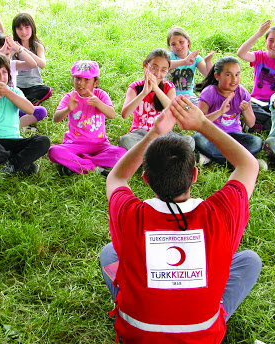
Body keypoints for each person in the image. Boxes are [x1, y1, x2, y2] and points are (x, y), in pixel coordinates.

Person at [101, 94, 261, 343]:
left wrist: (154, 132)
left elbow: (117, 178)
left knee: (110, 253)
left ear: (145, 179)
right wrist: (202, 124)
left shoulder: (130, 215)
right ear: (195, 175)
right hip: (203, 336)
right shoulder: (220, 213)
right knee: (249, 260)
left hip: (137, 336)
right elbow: (249, 165)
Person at [49, 60, 126, 175]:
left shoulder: (100, 95)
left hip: (99, 145)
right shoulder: (70, 96)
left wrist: (98, 103)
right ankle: (95, 168)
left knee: (122, 154)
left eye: (87, 80)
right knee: (54, 151)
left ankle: (77, 163)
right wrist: (68, 109)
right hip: (74, 143)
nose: (81, 83)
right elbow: (56, 118)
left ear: (95, 82)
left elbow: (112, 114)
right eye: (78, 79)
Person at [194, 56, 265, 167]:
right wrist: (220, 111)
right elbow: (198, 122)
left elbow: (251, 123)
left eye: (237, 74)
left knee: (256, 141)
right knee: (198, 139)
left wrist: (245, 111)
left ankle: (211, 158)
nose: (234, 79)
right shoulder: (209, 92)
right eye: (228, 75)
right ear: (217, 76)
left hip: (233, 137)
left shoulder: (242, 92)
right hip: (211, 135)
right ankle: (245, 161)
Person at [119, 48, 194, 151]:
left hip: (164, 134)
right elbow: (125, 114)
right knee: (125, 140)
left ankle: (149, 155)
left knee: (189, 141)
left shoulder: (169, 87)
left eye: (163, 70)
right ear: (145, 66)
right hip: (140, 135)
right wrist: (144, 93)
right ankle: (159, 155)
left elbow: (172, 109)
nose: (158, 74)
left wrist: (156, 89)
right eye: (154, 68)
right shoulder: (135, 87)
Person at [0, 34, 47, 129]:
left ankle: (14, 126)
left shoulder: (13, 64)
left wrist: (19, 49)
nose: (2, 59)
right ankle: (6, 126)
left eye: (6, 54)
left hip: (13, 106)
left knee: (40, 111)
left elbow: (33, 64)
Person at [11, 13, 52, 106]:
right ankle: (22, 104)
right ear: (15, 30)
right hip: (17, 85)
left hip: (34, 85)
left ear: (32, 28)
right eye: (20, 29)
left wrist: (23, 50)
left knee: (46, 90)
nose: (24, 32)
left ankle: (25, 104)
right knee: (9, 92)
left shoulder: (37, 46)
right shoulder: (13, 46)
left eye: (27, 27)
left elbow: (42, 64)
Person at [166, 27, 214, 104]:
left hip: (189, 96)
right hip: (169, 96)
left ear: (188, 41)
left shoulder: (195, 58)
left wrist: (208, 61)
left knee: (200, 112)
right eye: (173, 44)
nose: (178, 46)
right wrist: (184, 62)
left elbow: (209, 75)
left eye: (181, 42)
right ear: (170, 46)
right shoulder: (168, 56)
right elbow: (164, 65)